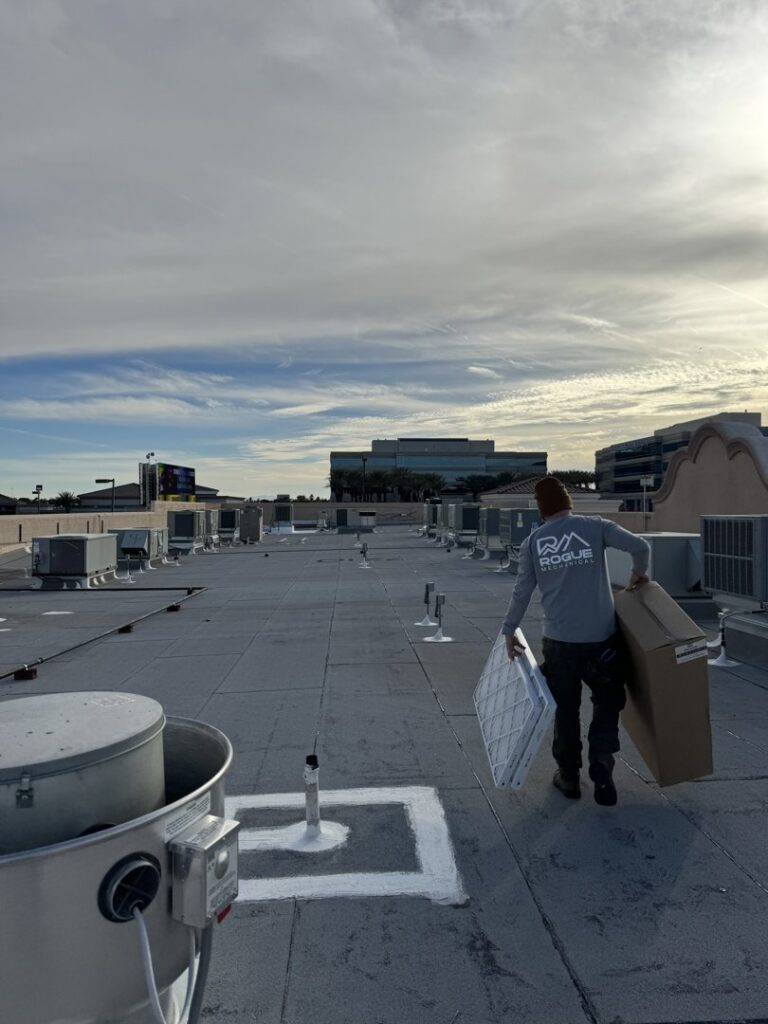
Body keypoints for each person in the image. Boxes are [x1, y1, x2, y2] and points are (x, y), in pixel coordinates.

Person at [502, 477, 650, 806]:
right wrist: (638, 574)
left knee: (566, 710)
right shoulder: (596, 526)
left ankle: (568, 776)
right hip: (603, 640)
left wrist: (509, 631)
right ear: (569, 502)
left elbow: (521, 592)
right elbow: (641, 547)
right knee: (607, 700)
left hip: (560, 643)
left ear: (541, 509)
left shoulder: (533, 543)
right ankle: (602, 760)